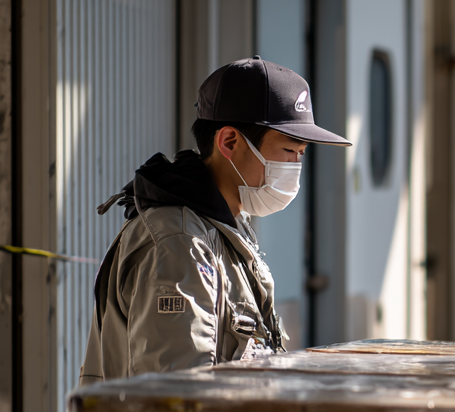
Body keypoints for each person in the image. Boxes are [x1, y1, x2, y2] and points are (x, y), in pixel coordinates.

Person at [79, 57, 350, 385]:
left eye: (301, 154)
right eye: (288, 151)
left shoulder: (224, 227)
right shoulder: (179, 245)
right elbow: (176, 399)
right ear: (229, 142)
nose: (295, 166)